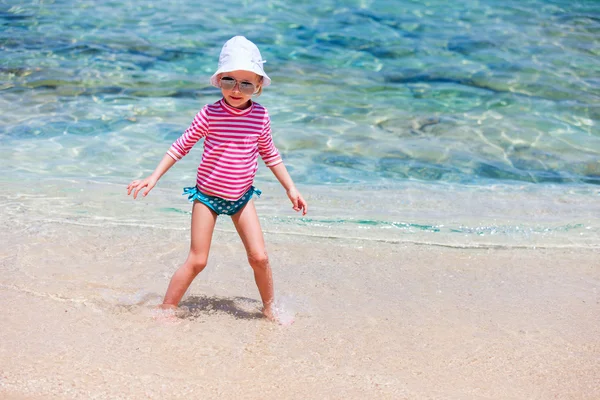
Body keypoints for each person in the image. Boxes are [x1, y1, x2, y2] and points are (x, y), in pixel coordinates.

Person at [127, 36, 307, 321]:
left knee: (259, 257)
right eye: (229, 80)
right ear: (218, 80)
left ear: (258, 86)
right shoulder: (209, 114)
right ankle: (166, 309)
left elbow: (270, 154)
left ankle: (270, 307)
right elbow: (180, 145)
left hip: (242, 198)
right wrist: (154, 177)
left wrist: (291, 188)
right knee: (198, 260)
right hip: (207, 198)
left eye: (246, 83)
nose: (236, 90)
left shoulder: (260, 117)